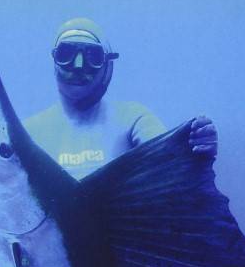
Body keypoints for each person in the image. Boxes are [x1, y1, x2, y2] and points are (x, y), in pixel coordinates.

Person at [24, 17, 218, 181]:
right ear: (54, 59)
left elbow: (172, 167)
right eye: (66, 54)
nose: (79, 65)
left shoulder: (133, 119)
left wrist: (196, 150)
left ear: (107, 65)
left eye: (93, 56)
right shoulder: (28, 132)